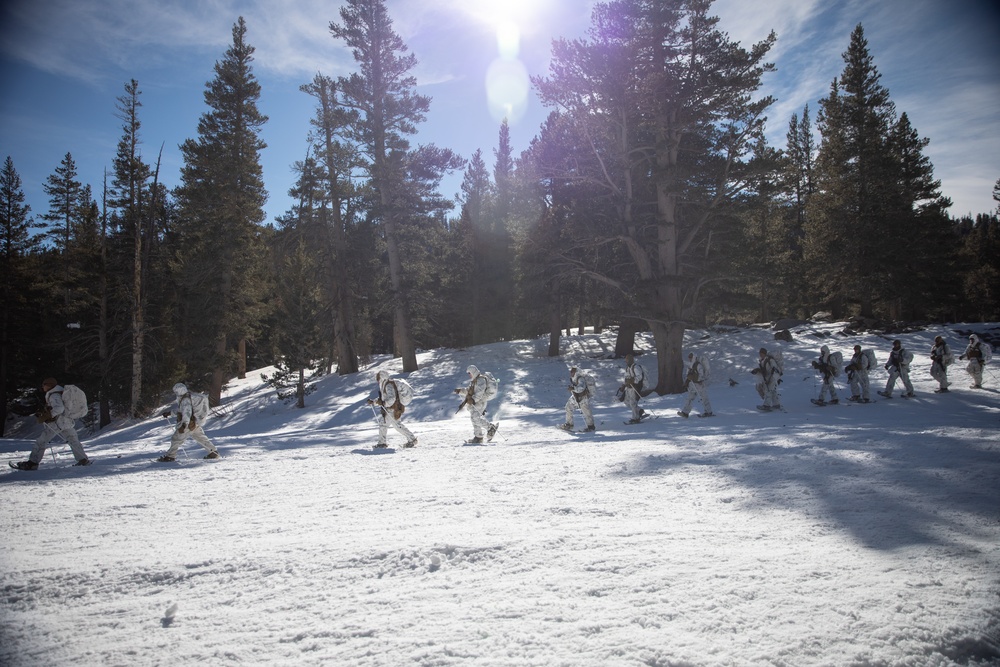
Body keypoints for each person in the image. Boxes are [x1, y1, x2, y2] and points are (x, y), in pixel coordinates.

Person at [11, 377, 91, 470]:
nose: (42, 387)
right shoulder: (60, 393)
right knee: (73, 440)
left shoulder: (54, 395)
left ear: (49, 385)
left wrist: (48, 415)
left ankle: (32, 463)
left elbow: (59, 408)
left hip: (57, 423)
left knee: (41, 442)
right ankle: (83, 460)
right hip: (66, 422)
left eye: (44, 384)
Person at [156, 383, 220, 462]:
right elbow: (181, 410)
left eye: (176, 391)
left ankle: (170, 456)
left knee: (176, 439)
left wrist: (184, 425)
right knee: (200, 438)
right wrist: (170, 413)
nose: (175, 392)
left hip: (188, 424)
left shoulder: (185, 399)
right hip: (194, 423)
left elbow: (187, 412)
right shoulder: (187, 397)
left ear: (179, 390)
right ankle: (213, 452)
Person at [369, 371, 417, 449]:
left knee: (390, 425)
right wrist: (374, 402)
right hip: (392, 409)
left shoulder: (388, 385)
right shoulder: (386, 385)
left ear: (382, 378)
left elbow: (391, 399)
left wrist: (383, 403)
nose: (377, 381)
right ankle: (411, 439)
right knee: (394, 425)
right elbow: (384, 398)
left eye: (378, 379)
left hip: (392, 409)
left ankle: (382, 444)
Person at [454, 365, 498, 444]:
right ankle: (478, 437)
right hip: (476, 402)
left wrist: (473, 400)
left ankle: (490, 428)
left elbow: (479, 393)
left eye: (469, 373)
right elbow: (469, 391)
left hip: (481, 402)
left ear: (473, 371)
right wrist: (460, 391)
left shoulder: (481, 380)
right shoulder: (474, 381)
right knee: (474, 418)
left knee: (475, 418)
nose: (469, 375)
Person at [561, 366, 596, 431]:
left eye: (572, 371)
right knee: (568, 407)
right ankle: (569, 424)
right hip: (575, 396)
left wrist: (573, 388)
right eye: (571, 371)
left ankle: (591, 426)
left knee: (586, 411)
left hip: (583, 397)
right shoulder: (574, 378)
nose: (571, 372)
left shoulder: (580, 378)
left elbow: (581, 388)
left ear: (576, 372)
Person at [679, 352, 713, 418]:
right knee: (690, 398)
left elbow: (701, 374)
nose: (690, 359)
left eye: (691, 357)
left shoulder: (698, 365)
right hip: (692, 385)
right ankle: (685, 412)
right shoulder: (691, 365)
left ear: (694, 357)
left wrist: (698, 379)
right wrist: (687, 382)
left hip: (699, 385)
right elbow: (688, 374)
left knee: (703, 398)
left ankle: (708, 412)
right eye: (689, 357)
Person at [620, 353, 647, 423]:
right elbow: (626, 378)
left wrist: (632, 380)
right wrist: (623, 385)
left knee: (633, 402)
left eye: (628, 360)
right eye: (626, 360)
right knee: (626, 402)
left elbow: (639, 377)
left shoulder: (636, 367)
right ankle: (639, 411)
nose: (626, 361)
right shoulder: (627, 368)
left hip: (635, 387)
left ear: (631, 360)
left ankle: (635, 418)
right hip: (628, 387)